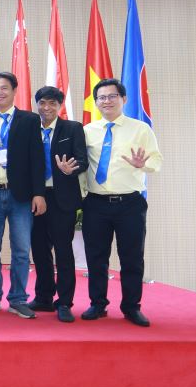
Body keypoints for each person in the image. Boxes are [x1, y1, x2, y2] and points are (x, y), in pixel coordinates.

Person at [81, 78, 162, 327]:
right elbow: (82, 165)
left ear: (123, 99)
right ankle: (98, 304)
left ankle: (131, 307)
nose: (106, 101)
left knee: (132, 258)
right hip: (96, 203)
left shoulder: (141, 129)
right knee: (96, 257)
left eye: (112, 96)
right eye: (101, 97)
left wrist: (143, 164)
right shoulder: (87, 131)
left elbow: (156, 161)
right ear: (96, 102)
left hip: (130, 204)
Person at [0, 71, 46, 318]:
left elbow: (37, 159)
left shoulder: (29, 120)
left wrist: (39, 193)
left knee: (21, 250)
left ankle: (18, 298)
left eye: (4, 88)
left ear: (14, 91)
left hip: (21, 196)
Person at [28, 86, 87, 323]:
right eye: (42, 103)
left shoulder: (72, 128)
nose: (47, 108)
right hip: (35, 197)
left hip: (62, 198)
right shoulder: (30, 128)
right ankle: (43, 297)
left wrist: (70, 168)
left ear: (59, 105)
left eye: (52, 103)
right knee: (39, 250)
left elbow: (82, 160)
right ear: (37, 105)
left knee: (63, 251)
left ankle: (64, 302)